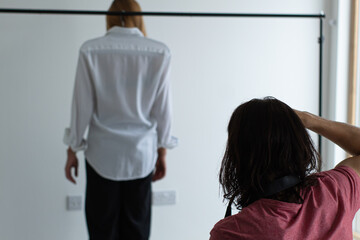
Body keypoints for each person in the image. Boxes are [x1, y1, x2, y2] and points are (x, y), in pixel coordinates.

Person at [63, 0, 177, 239]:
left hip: (101, 156)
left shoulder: (90, 50)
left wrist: (73, 148)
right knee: (137, 228)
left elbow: (81, 105)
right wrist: (163, 149)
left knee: (101, 229)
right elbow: (163, 108)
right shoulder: (159, 52)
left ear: (110, 17)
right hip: (141, 155)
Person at [210, 97, 360, 240]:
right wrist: (309, 120)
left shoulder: (230, 232)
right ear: (299, 146)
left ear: (238, 157)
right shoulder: (333, 191)